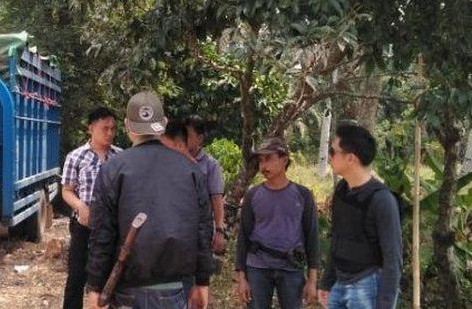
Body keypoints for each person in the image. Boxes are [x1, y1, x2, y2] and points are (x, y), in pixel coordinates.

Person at [86, 91, 214, 309]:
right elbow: (203, 228)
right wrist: (202, 282)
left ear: (128, 126)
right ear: (163, 123)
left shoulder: (112, 169)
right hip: (175, 287)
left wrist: (95, 287)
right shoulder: (191, 170)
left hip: (127, 286)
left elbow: (102, 233)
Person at [319, 124, 402, 309]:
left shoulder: (382, 200)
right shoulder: (341, 190)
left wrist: (385, 305)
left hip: (368, 284)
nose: (329, 156)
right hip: (340, 282)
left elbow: (393, 259)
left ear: (350, 158)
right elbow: (337, 238)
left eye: (333, 151)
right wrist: (327, 281)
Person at [234, 137, 319, 309]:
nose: (263, 166)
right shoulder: (253, 195)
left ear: (284, 159)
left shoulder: (303, 195)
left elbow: (312, 238)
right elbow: (243, 236)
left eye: (268, 159)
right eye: (260, 160)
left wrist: (312, 279)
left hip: (291, 267)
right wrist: (241, 278)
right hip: (258, 267)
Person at [61, 107, 122, 309]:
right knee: (77, 275)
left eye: (113, 129)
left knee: (112, 275)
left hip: (113, 227)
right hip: (83, 225)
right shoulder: (76, 157)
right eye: (105, 128)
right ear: (91, 128)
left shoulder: (121, 157)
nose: (109, 133)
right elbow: (67, 191)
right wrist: (81, 206)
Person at [185, 116, 227, 254]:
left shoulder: (210, 165)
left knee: (201, 271)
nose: (184, 139)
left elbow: (216, 199)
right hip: (177, 230)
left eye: (188, 135)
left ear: (200, 138)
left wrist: (219, 231)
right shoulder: (173, 161)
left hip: (201, 231)